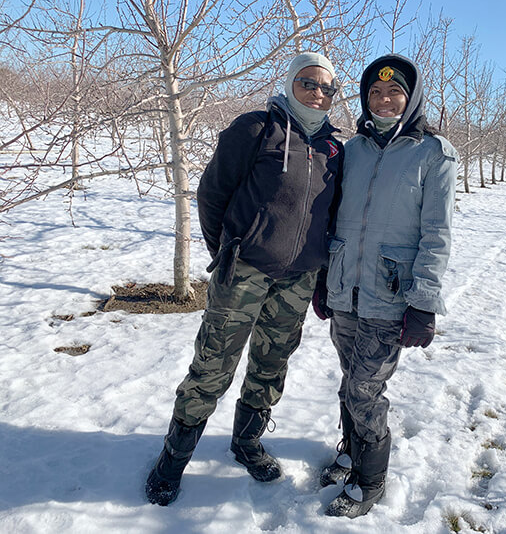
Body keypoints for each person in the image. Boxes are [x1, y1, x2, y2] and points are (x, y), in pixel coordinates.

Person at [145, 52, 344, 506]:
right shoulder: (256, 128)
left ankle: (247, 441)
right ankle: (172, 460)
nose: (318, 93)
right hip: (246, 271)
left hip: (298, 278)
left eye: (327, 88)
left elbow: (331, 216)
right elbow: (212, 194)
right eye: (309, 83)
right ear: (291, 82)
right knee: (213, 365)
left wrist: (322, 274)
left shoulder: (334, 148)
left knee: (271, 363)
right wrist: (228, 251)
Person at [312, 54, 457, 518]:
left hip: (391, 296)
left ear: (410, 97)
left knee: (364, 391)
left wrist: (424, 302)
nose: (384, 99)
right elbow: (331, 218)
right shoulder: (351, 149)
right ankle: (351, 451)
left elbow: (437, 233)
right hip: (344, 290)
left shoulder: (434, 154)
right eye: (375, 92)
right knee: (348, 381)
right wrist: (322, 278)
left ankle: (370, 481)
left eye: (394, 92)